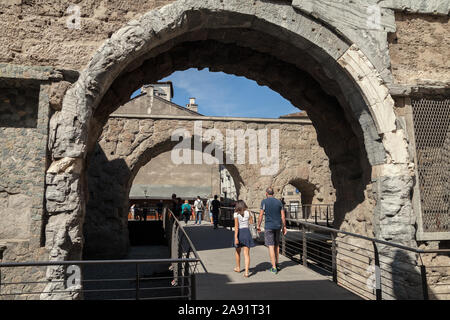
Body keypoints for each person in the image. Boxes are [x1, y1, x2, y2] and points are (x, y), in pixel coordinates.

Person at [257, 187, 287, 274]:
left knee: (270, 246)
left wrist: (258, 225)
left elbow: (261, 215)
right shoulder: (279, 202)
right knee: (277, 245)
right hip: (278, 226)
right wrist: (284, 227)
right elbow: (283, 216)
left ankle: (273, 267)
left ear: (266, 193)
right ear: (273, 193)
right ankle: (277, 264)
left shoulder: (264, 201)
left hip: (269, 226)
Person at [233, 200, 255, 278]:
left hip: (239, 233)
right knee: (247, 254)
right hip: (246, 232)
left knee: (238, 252)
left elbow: (236, 227)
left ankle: (238, 267)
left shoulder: (236, 214)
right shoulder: (248, 212)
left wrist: (236, 237)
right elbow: (251, 223)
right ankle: (246, 272)